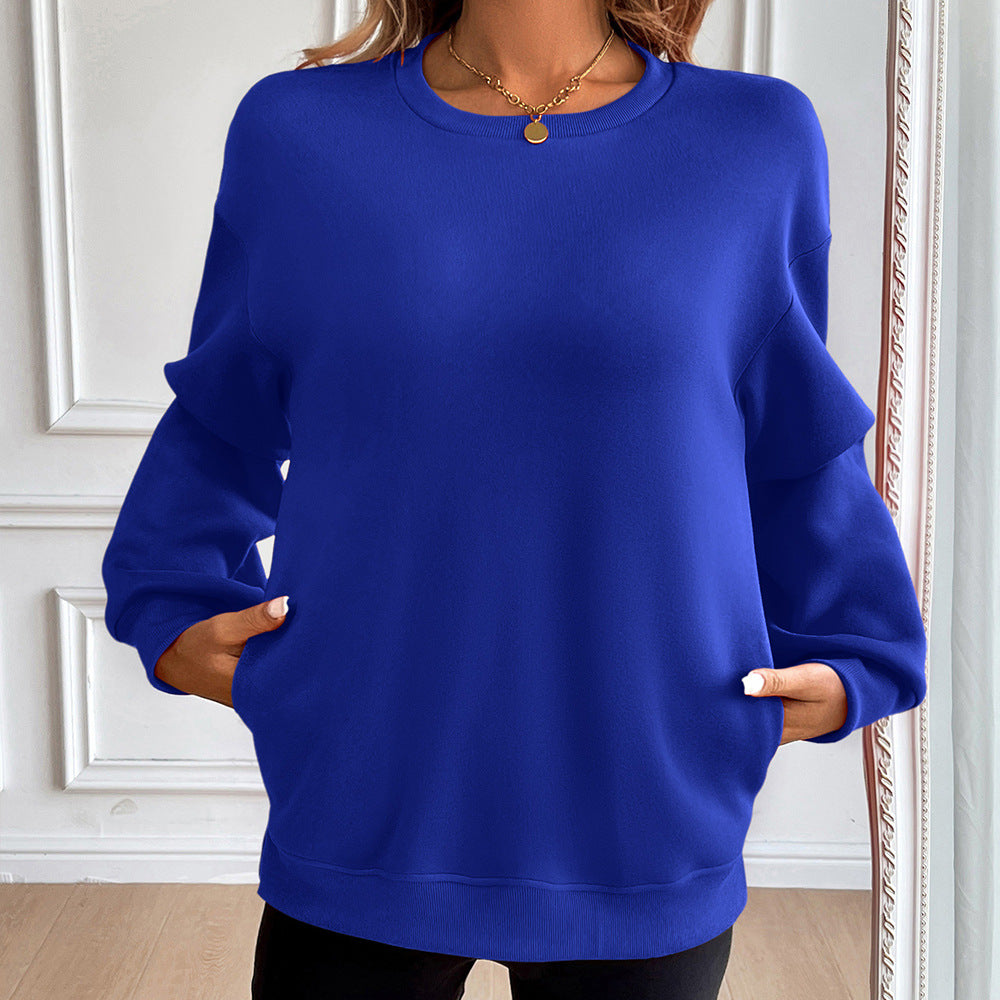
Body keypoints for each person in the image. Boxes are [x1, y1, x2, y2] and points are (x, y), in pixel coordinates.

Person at [101, 2, 929, 997]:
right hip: (364, 776)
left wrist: (859, 645)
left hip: (648, 790)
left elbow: (794, 436)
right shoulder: (296, 134)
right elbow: (223, 413)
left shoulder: (756, 138)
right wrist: (169, 598)